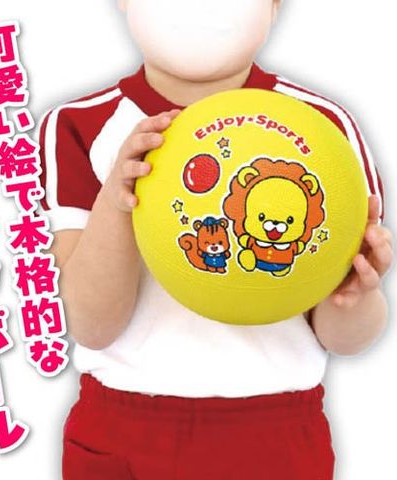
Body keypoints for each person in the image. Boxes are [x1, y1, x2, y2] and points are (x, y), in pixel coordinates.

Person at [37, 1, 393, 478]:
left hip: (276, 431)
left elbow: (346, 340)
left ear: (274, 6)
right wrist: (116, 200)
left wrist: (356, 294)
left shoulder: (321, 129)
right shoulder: (80, 124)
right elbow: (90, 325)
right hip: (123, 425)